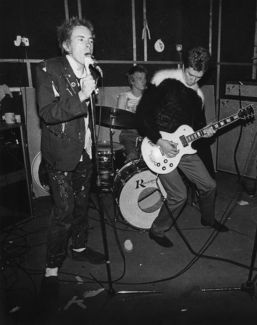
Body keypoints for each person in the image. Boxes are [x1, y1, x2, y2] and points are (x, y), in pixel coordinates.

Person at [35, 17, 105, 304]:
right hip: (61, 154)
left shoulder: (91, 70)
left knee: (81, 203)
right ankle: (51, 270)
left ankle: (78, 248)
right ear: (66, 44)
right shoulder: (48, 68)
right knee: (62, 211)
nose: (87, 43)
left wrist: (89, 87)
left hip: (84, 150)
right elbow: (47, 113)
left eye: (90, 39)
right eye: (80, 38)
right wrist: (83, 93)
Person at [136, 47, 228, 248]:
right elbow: (142, 115)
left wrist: (205, 132)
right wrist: (160, 140)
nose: (193, 80)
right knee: (179, 195)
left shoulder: (198, 98)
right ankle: (156, 230)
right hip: (158, 147)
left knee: (210, 185)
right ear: (183, 67)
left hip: (183, 149)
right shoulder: (164, 82)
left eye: (198, 77)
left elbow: (192, 130)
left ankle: (208, 218)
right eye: (190, 74)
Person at [117, 65, 148, 163]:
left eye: (144, 78)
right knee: (133, 156)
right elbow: (119, 119)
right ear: (132, 81)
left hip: (145, 135)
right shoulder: (124, 97)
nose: (143, 81)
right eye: (140, 78)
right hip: (129, 134)